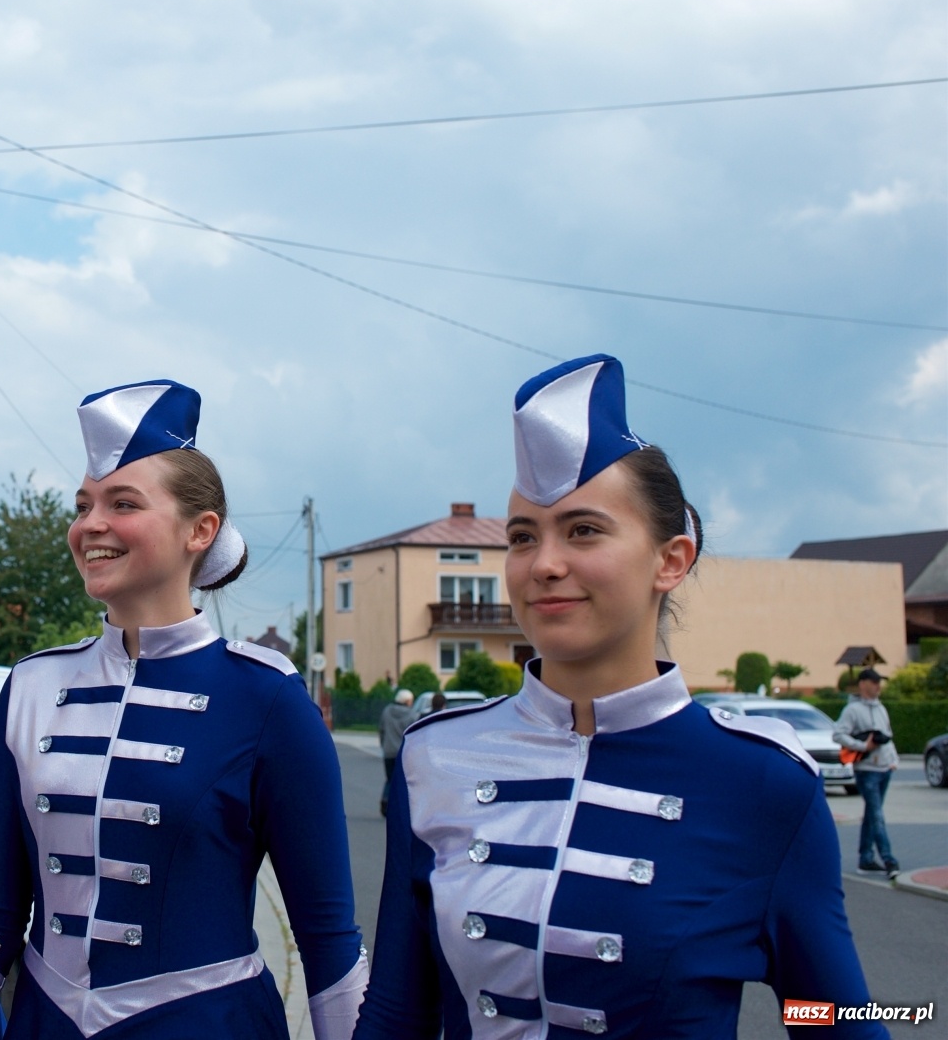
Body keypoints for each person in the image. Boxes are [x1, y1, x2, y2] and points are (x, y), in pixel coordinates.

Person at [353, 355, 884, 1039]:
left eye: (583, 530)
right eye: (522, 537)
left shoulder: (766, 785)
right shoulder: (434, 758)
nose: (544, 564)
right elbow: (398, 1010)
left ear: (672, 559)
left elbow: (838, 1019)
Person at [0, 379, 368, 1040]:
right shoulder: (31, 687)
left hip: (208, 1022)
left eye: (123, 503)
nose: (91, 524)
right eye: (84, 504)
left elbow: (327, 939)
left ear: (200, 530)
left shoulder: (266, 696)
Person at [834, 667, 901, 877]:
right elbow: (838, 735)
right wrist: (863, 746)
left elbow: (887, 735)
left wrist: (893, 759)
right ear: (863, 684)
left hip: (884, 768)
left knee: (872, 815)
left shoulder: (881, 708)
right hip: (867, 769)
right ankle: (889, 860)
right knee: (877, 815)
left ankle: (866, 859)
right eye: (874, 682)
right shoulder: (852, 710)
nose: (878, 686)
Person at [378, 690, 417, 816]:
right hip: (403, 752)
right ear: (407, 701)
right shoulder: (412, 715)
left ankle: (385, 800)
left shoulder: (387, 711)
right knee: (402, 780)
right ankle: (398, 806)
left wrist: (384, 745)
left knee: (389, 778)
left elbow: (381, 729)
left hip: (388, 751)